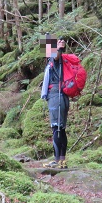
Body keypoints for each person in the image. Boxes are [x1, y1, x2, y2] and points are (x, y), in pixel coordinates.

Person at [40, 35, 69, 169]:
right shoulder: (51, 62)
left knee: (56, 128)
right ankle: (61, 161)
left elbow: (56, 56)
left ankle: (58, 161)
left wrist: (59, 49)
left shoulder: (55, 59)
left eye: (46, 47)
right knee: (61, 128)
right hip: (61, 96)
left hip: (56, 96)